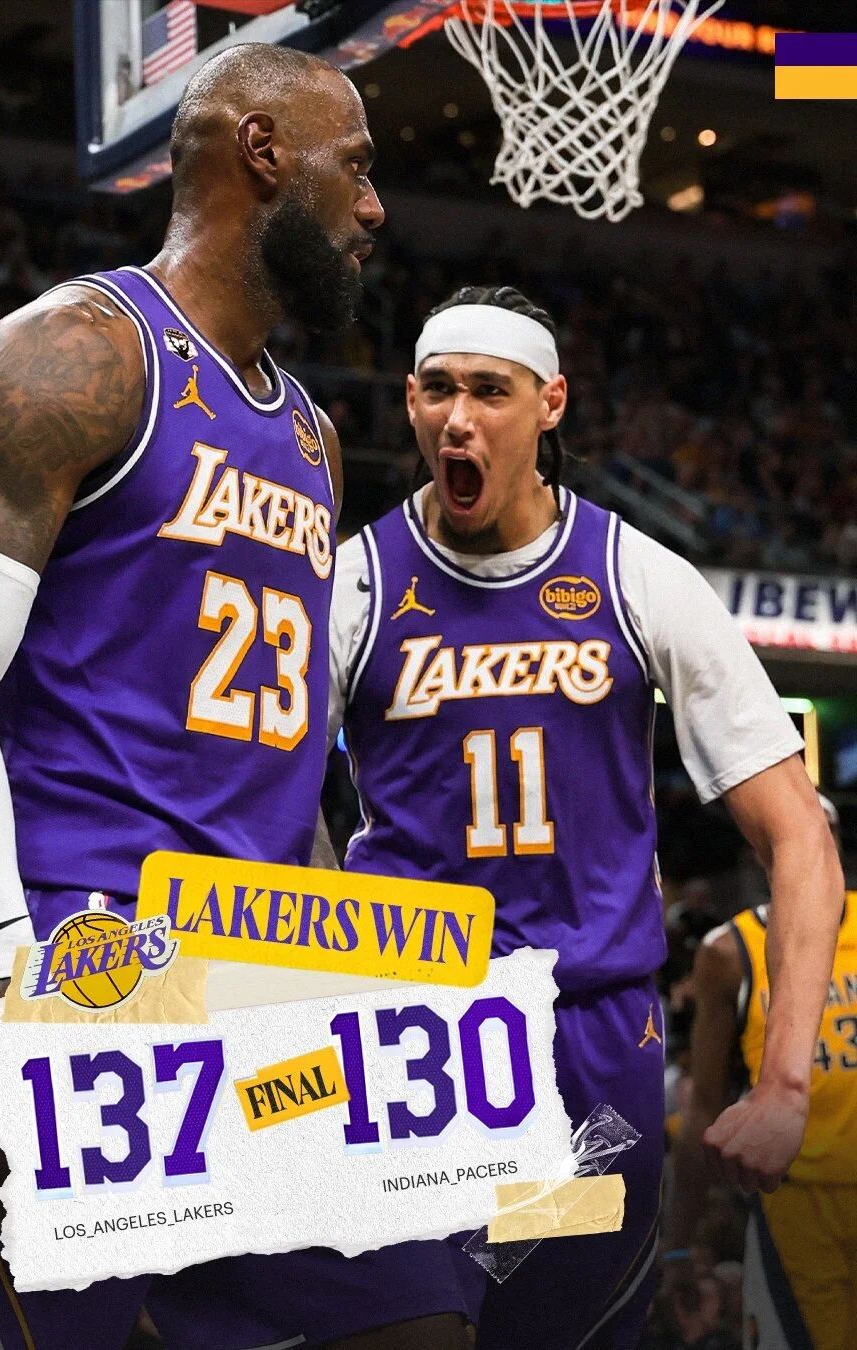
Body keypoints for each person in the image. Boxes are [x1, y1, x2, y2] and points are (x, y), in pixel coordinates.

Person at [0, 42, 474, 1350]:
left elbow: (284, 765)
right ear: (263, 151)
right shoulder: (78, 353)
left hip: (258, 969)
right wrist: (6, 983)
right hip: (80, 955)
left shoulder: (312, 436)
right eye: (356, 167)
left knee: (418, 1317)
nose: (375, 208)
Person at [327, 284, 844, 1349]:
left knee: (547, 1330)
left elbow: (800, 833)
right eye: (436, 390)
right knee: (410, 1325)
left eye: (489, 391)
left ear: (550, 404)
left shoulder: (638, 577)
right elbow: (253, 803)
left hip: (589, 1057)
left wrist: (785, 1083)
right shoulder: (354, 584)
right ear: (409, 401)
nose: (457, 418)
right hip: (412, 1045)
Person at [670, 795, 856, 1350]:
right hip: (796, 1208)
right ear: (761, 850)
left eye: (824, 833)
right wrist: (678, 1243)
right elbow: (705, 1104)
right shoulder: (729, 952)